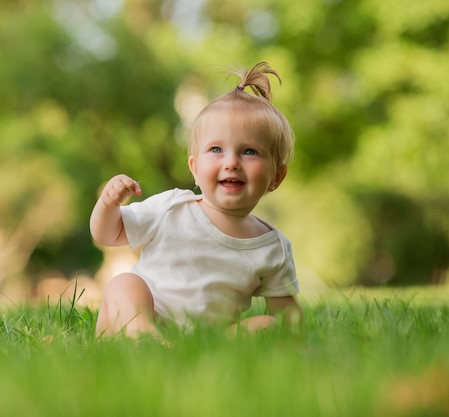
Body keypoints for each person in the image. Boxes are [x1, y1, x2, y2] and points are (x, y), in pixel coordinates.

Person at [90, 62, 303, 338]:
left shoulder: (272, 247)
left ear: (277, 175)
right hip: (143, 318)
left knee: (267, 327)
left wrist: (297, 341)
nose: (232, 163)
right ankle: (144, 338)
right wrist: (109, 203)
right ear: (195, 169)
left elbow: (286, 314)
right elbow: (107, 233)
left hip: (210, 339)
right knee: (125, 285)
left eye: (249, 151)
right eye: (216, 149)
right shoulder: (172, 208)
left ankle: (179, 352)